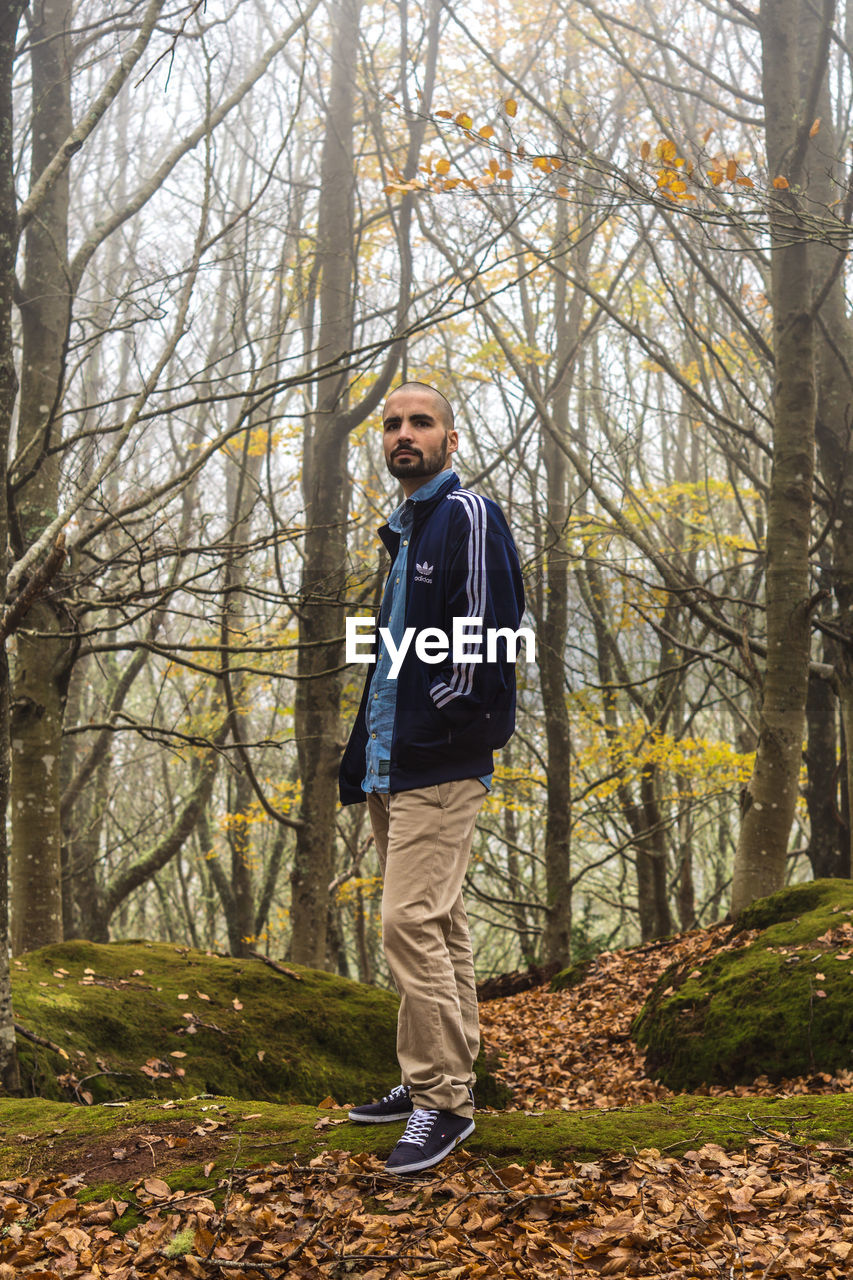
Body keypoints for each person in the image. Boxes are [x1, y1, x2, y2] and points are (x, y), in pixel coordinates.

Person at [339, 381, 524, 1174]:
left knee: (405, 923)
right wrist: (366, 754)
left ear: (451, 438)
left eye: (420, 422)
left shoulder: (467, 517)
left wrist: (439, 719)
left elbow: (488, 635)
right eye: (392, 425)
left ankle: (442, 1102)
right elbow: (390, 657)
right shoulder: (406, 531)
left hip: (436, 760)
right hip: (394, 762)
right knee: (437, 924)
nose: (403, 434)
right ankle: (436, 1077)